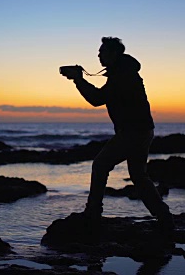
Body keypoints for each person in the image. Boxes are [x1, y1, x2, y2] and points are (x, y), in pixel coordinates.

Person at [61, 37, 174, 232]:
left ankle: (93, 212)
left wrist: (78, 79)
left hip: (132, 132)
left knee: (100, 165)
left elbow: (97, 99)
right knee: (139, 176)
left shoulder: (122, 76)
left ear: (114, 54)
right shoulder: (123, 72)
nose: (98, 55)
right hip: (142, 130)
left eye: (102, 51)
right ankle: (165, 218)